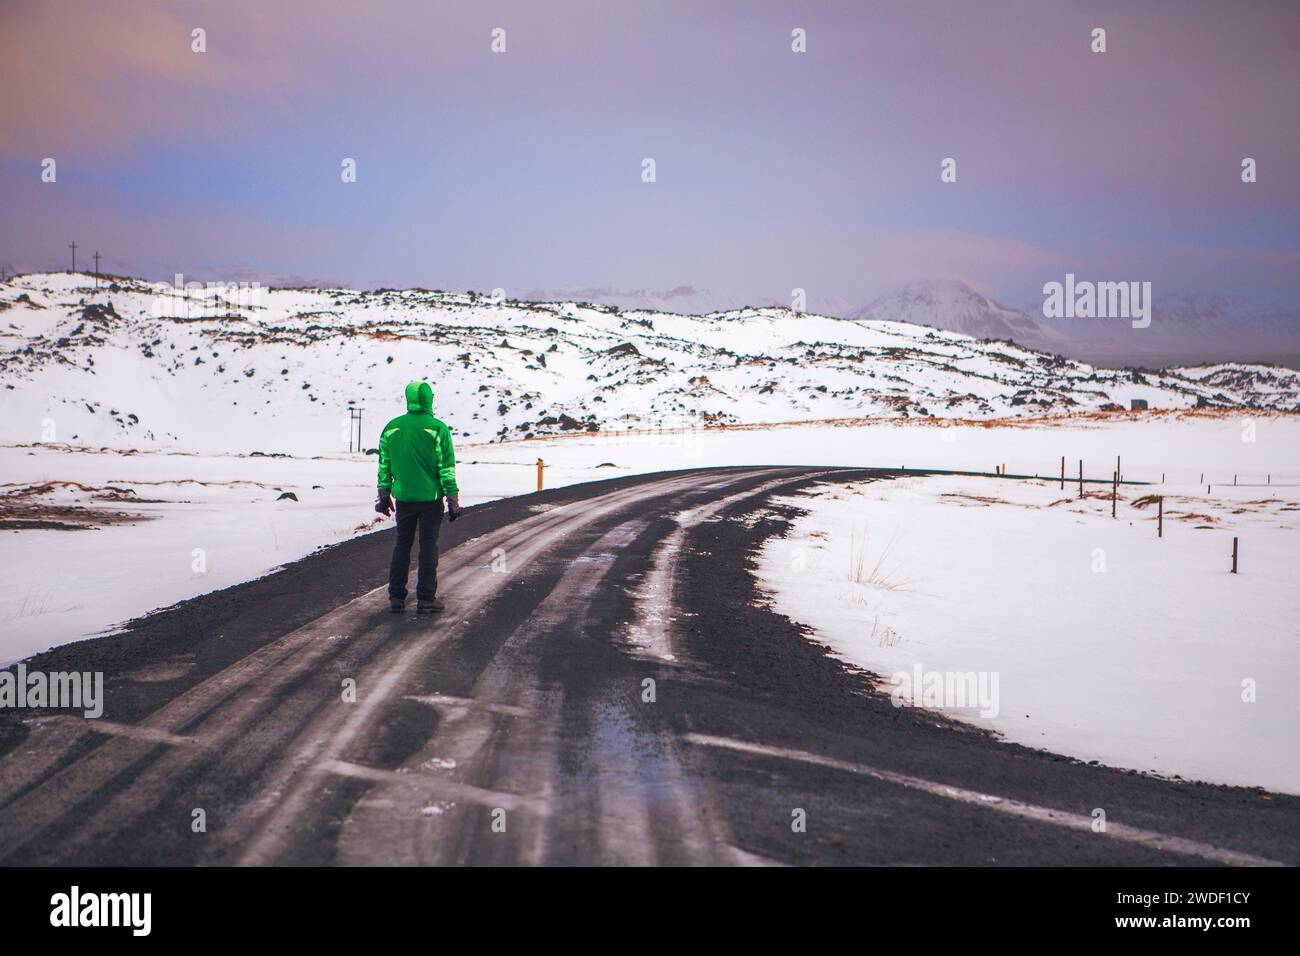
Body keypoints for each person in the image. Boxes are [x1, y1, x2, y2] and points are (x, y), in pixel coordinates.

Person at [375, 381, 462, 613]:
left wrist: (384, 493)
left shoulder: (391, 428)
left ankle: (396, 596)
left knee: (402, 544)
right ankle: (425, 598)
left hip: (403, 498)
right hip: (430, 500)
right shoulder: (437, 428)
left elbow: (384, 464)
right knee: (428, 547)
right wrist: (453, 500)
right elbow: (446, 468)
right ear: (428, 399)